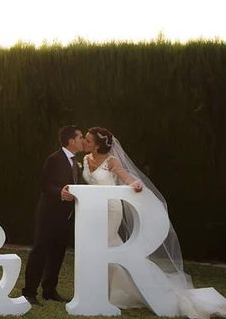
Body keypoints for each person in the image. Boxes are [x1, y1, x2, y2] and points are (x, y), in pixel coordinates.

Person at [82, 127, 226, 319]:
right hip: (93, 212)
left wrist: (134, 183)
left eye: (88, 140)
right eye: (84, 139)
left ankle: (119, 293)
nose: (84, 142)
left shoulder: (112, 161)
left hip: (111, 210)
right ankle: (106, 288)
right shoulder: (85, 160)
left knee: (106, 246)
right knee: (103, 248)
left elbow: (125, 177)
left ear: (98, 145)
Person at [22, 125, 84, 305]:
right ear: (71, 140)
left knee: (58, 253)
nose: (82, 141)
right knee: (40, 251)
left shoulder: (76, 163)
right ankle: (29, 292)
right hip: (48, 215)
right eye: (80, 137)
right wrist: (60, 193)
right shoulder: (54, 159)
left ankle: (49, 290)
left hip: (66, 216)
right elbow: (44, 184)